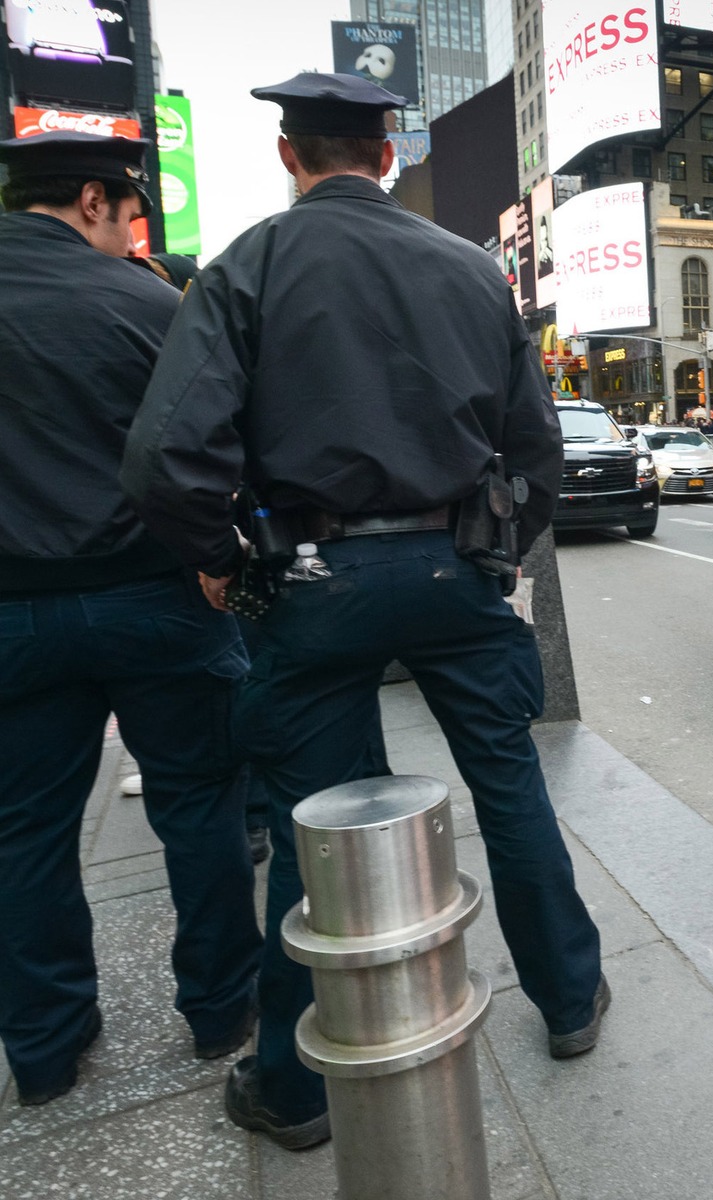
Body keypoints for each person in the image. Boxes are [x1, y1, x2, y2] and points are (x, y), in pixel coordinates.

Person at [121, 74, 607, 1150]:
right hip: (454, 574)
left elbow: (163, 455)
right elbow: (536, 449)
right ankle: (569, 1001)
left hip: (312, 579)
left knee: (317, 827)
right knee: (510, 784)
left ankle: (295, 1090)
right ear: (386, 159)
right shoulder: (473, 270)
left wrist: (224, 561)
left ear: (291, 156)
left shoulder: (248, 265)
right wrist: (494, 554)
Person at [0, 132, 262, 1106]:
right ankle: (219, 1008)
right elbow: (210, 444)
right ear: (91, 200)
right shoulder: (145, 301)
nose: (132, 231)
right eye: (127, 212)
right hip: (154, 597)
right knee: (198, 807)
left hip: (12, 613)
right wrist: (216, 556)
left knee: (23, 832)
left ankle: (44, 1046)